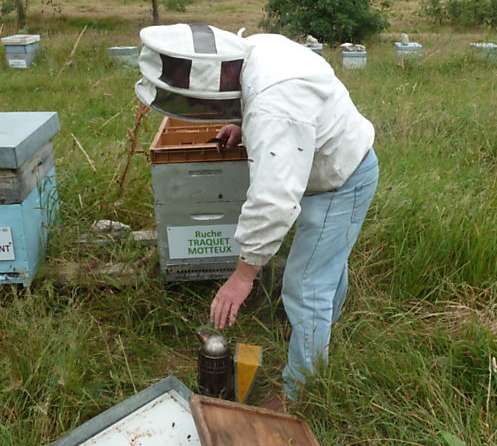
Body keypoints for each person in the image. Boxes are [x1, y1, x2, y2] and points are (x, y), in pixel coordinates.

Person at [135, 23, 378, 403]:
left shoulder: (274, 106)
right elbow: (270, 110)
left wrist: (243, 275)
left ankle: (301, 392)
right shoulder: (256, 51)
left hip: (340, 180)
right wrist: (242, 126)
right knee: (325, 265)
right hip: (328, 161)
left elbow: (274, 199)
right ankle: (319, 334)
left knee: (305, 285)